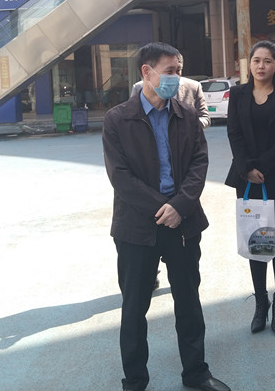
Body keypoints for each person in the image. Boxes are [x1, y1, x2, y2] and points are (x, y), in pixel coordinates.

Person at [102, 42, 230, 391]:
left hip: (183, 223)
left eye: (179, 70)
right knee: (134, 307)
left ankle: (196, 373)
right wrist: (162, 207)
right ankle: (135, 380)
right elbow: (120, 176)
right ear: (147, 72)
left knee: (188, 302)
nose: (177, 77)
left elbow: (199, 164)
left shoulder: (186, 116)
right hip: (136, 227)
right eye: (170, 71)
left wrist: (180, 206)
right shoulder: (118, 119)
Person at [225, 40, 275, 335]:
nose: (261, 66)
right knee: (256, 242)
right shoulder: (238, 94)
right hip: (247, 180)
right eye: (256, 60)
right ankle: (261, 303)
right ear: (250, 64)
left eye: (267, 61)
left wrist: (262, 167)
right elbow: (234, 133)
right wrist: (247, 168)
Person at [131, 54, 211, 128]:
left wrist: (188, 124)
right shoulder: (140, 87)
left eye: (178, 70)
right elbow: (132, 116)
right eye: (169, 71)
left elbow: (205, 118)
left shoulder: (193, 87)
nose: (174, 75)